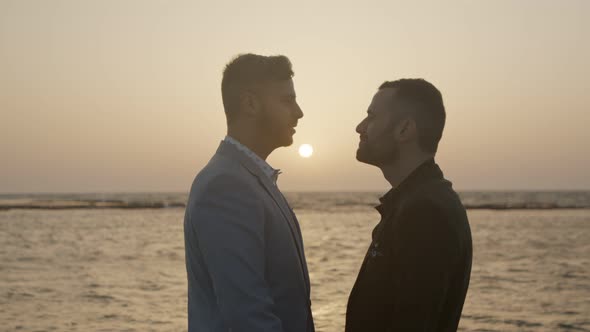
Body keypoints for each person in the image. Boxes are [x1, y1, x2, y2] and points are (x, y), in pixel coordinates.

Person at [183, 54, 314, 332]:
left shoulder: (252, 179)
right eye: (287, 100)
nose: (299, 112)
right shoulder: (226, 187)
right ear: (251, 103)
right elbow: (247, 315)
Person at [346, 79, 473, 331]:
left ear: (404, 129)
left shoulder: (426, 213)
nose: (360, 127)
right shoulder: (412, 202)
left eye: (371, 117)